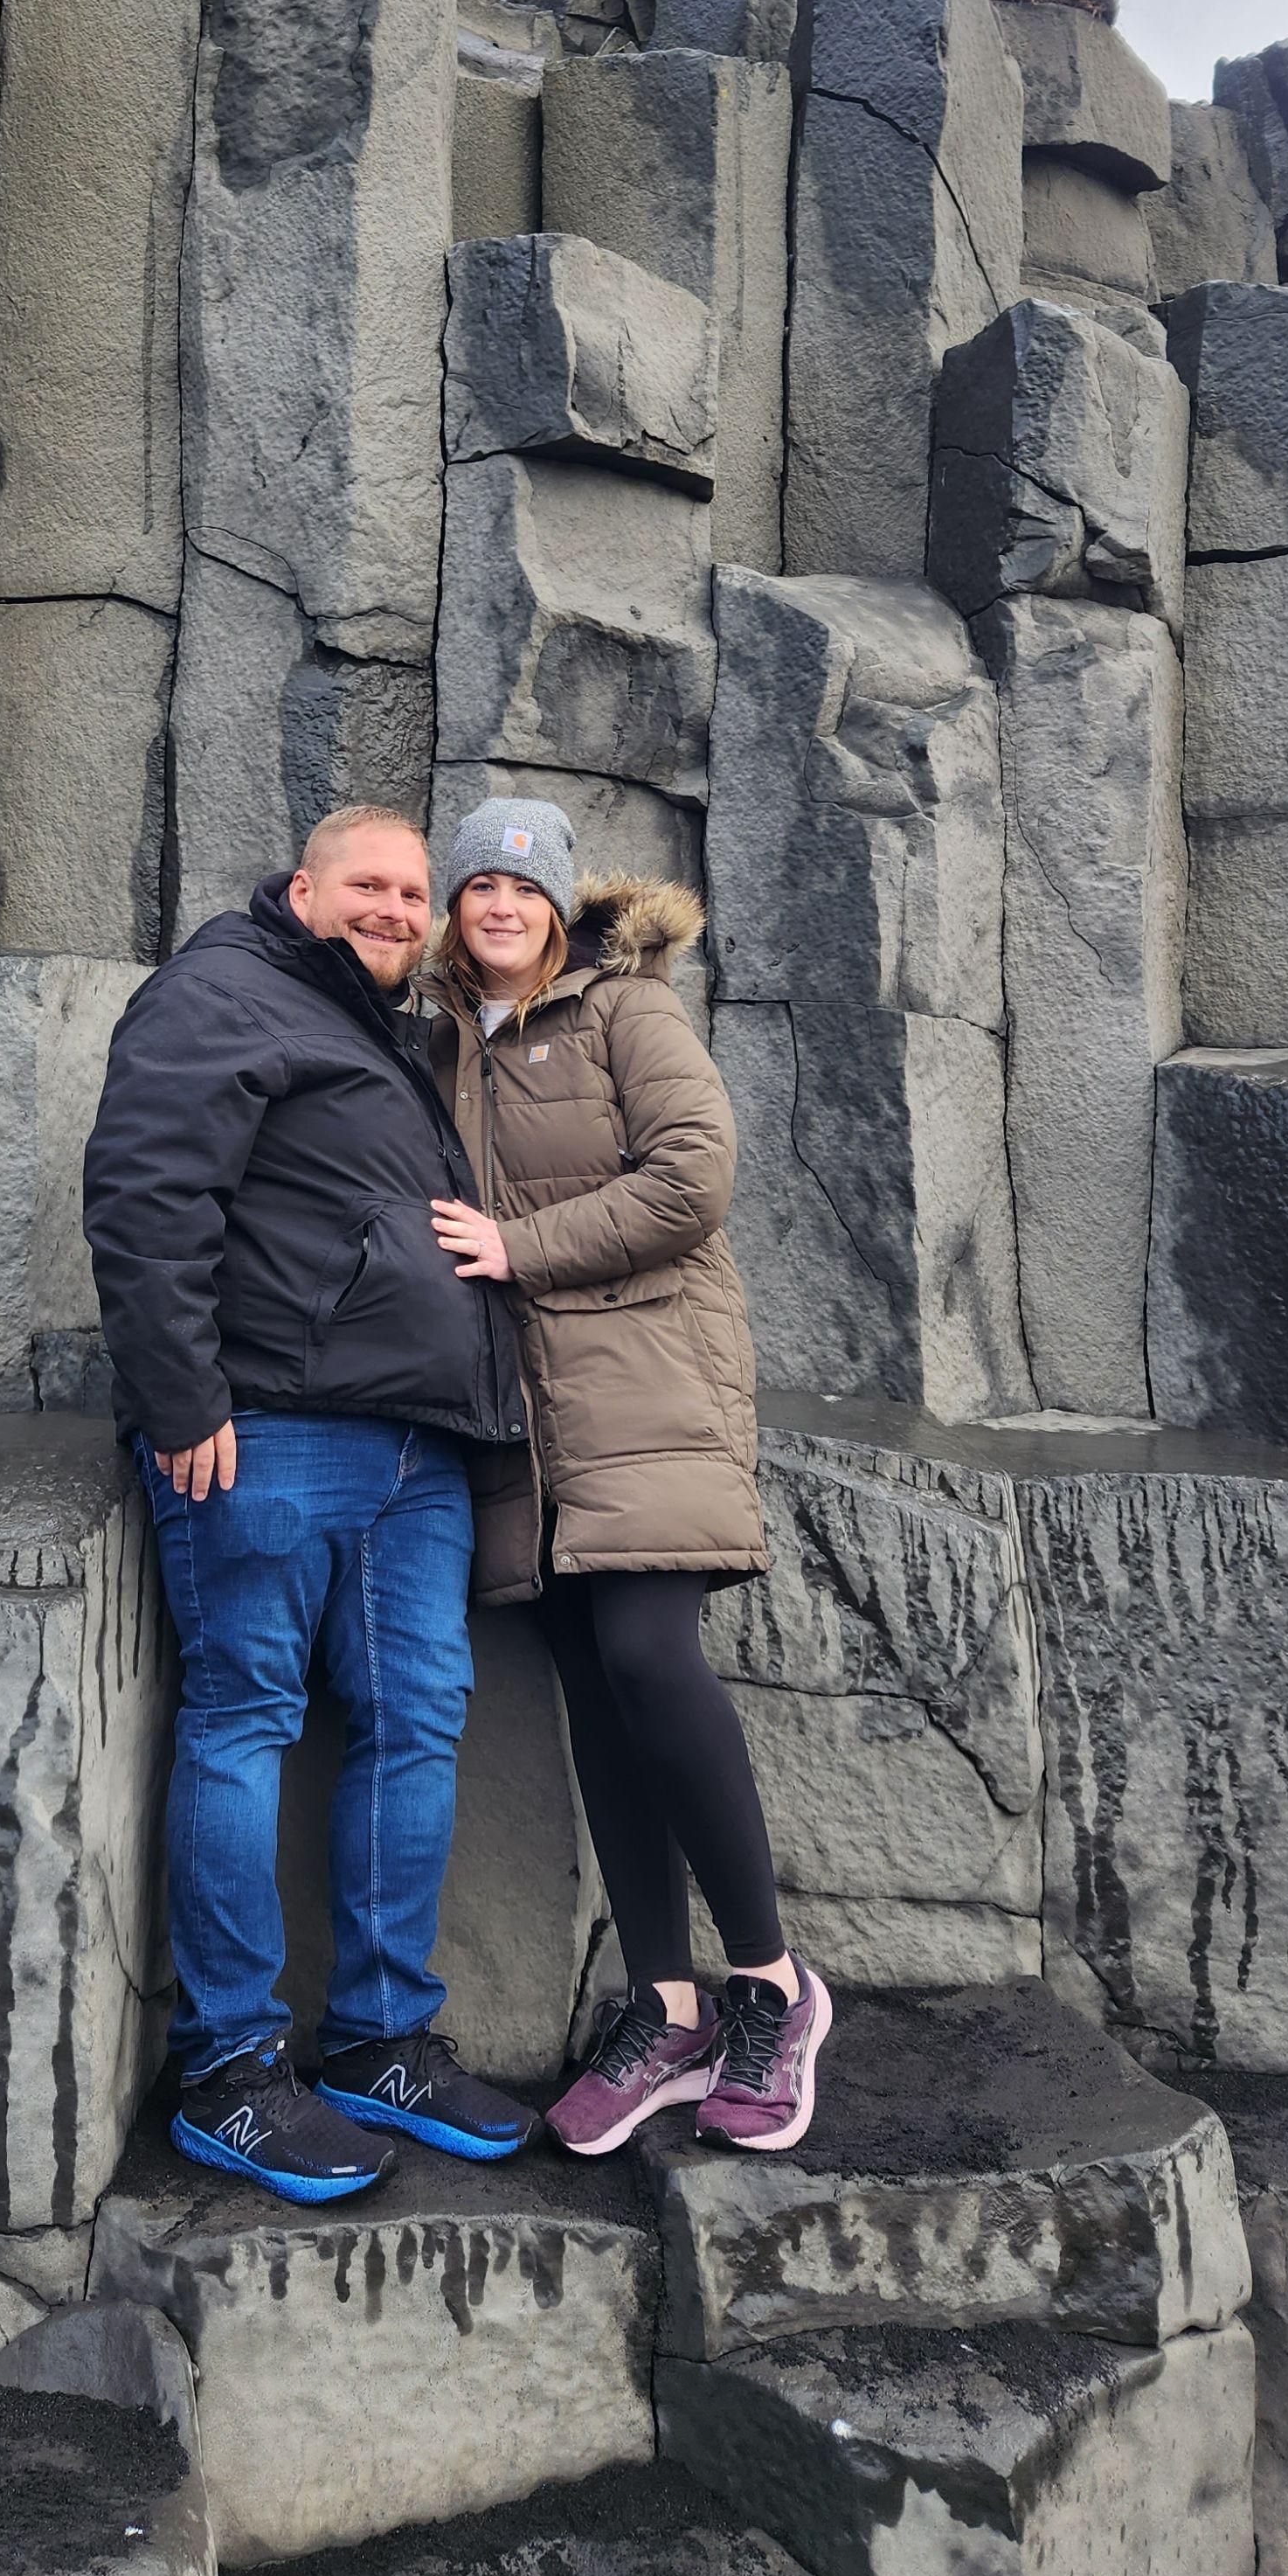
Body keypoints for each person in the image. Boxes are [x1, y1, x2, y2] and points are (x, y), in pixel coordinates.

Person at [82, 804, 543, 2203]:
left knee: (415, 1724)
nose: (401, 908)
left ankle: (378, 2041)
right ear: (303, 887)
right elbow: (146, 1191)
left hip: (417, 1452)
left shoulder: (370, 1030)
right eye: (371, 885)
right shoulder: (224, 991)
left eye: (416, 890)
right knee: (246, 1721)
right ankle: (228, 2066)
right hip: (271, 1435)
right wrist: (185, 1400)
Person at [419, 796, 832, 2155]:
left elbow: (692, 1181)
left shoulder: (622, 1012)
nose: (499, 906)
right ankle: (668, 2008)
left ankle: (771, 1983)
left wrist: (516, 1247)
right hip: (524, 1423)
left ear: (558, 905)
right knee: (597, 1689)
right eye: (476, 883)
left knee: (653, 1659)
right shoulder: (438, 1047)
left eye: (521, 888)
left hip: (646, 1386)